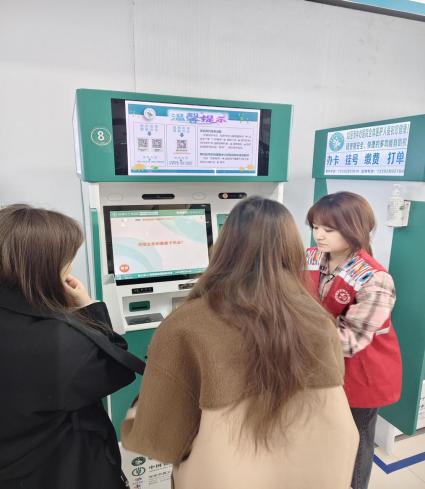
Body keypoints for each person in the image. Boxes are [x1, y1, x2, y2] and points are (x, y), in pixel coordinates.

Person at [121, 196, 358, 489]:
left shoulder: (185, 325)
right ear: (293, 250)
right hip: (315, 476)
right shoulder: (318, 320)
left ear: (224, 247)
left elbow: (159, 440)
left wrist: (135, 414)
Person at [0, 204, 146, 489]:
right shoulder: (63, 345)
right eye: (67, 259)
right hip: (62, 470)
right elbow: (116, 368)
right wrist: (89, 307)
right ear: (43, 267)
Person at [306, 191, 402, 489]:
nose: (319, 235)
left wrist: (294, 334)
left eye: (329, 229)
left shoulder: (375, 279)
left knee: (356, 439)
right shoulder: (311, 257)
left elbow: (350, 341)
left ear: (354, 229)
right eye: (315, 226)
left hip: (361, 372)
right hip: (323, 365)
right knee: (327, 434)